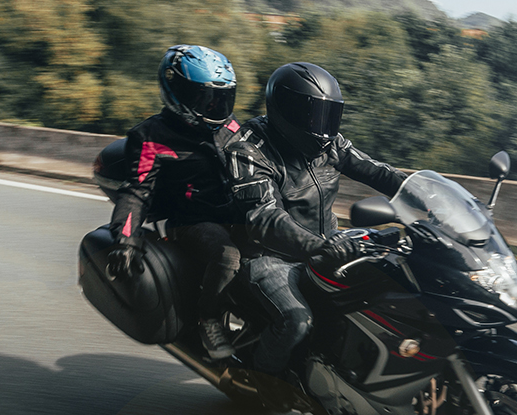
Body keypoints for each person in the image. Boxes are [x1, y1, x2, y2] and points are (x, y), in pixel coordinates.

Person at [230, 61, 405, 385]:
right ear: (287, 112)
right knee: (296, 320)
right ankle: (257, 380)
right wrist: (321, 246)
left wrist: (427, 194)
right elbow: (266, 217)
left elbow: (379, 172)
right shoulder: (249, 149)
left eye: (329, 115)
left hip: (327, 244)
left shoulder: (330, 145)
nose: (324, 127)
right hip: (270, 255)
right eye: (315, 116)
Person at [106, 44, 246, 360]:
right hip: (190, 221)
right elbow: (137, 190)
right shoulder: (150, 137)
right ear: (177, 92)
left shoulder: (231, 127)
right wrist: (125, 240)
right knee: (228, 257)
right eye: (204, 97)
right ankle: (208, 321)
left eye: (222, 97)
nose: (215, 106)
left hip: (236, 211)